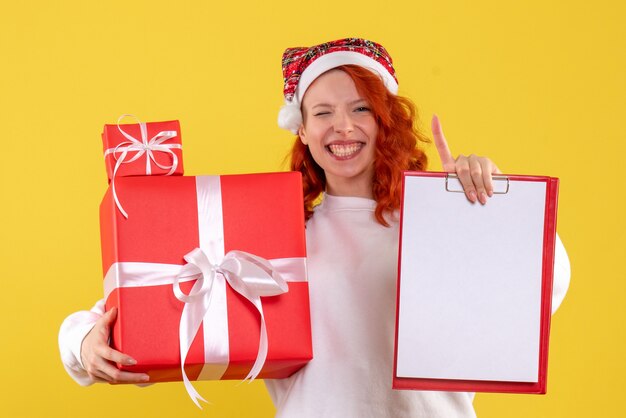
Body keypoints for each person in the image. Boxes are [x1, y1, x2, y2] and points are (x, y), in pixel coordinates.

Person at [59, 38, 570, 417]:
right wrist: (82, 342)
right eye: (322, 112)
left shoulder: (435, 222)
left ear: (384, 121)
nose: (342, 127)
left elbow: (544, 289)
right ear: (302, 129)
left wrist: (492, 208)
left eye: (360, 110)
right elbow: (148, 307)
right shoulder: (277, 237)